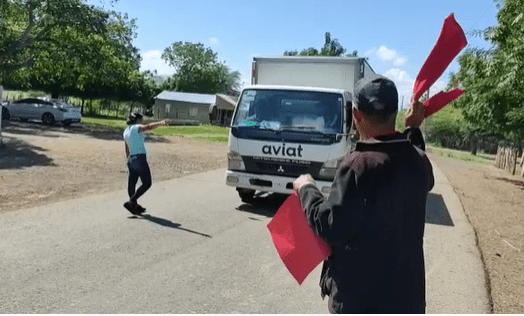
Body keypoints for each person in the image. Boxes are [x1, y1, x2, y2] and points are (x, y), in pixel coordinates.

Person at [293, 75, 435, 314]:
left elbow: (330, 224)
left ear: (356, 116)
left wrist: (306, 188)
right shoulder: (418, 162)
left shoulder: (358, 166)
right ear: (394, 114)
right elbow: (415, 154)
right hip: (406, 300)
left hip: (359, 300)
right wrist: (412, 128)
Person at [123, 112, 169, 215]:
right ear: (137, 120)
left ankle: (134, 205)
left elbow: (126, 149)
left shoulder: (126, 131)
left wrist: (129, 159)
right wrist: (161, 123)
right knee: (147, 183)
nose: (142, 121)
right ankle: (131, 201)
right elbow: (148, 127)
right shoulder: (136, 127)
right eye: (141, 119)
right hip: (140, 159)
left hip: (131, 159)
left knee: (132, 183)